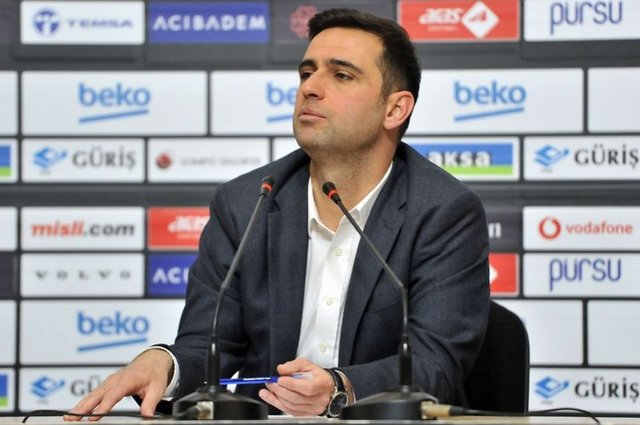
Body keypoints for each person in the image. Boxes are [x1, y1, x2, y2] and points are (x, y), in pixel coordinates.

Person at [65, 8, 489, 420]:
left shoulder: (443, 211)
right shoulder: (247, 202)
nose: (311, 88)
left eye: (341, 75)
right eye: (307, 73)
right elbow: (208, 346)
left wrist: (339, 388)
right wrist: (164, 364)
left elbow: (435, 365)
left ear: (394, 109)